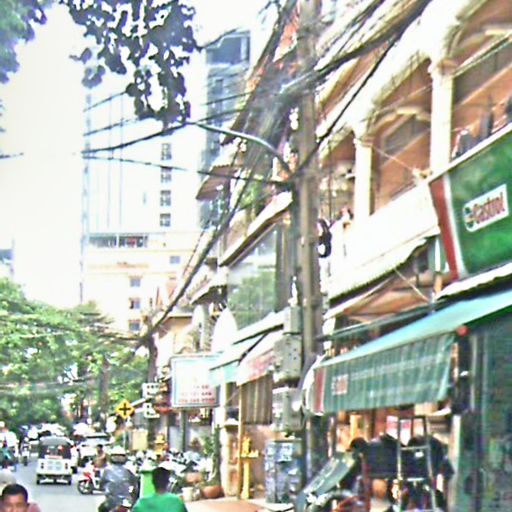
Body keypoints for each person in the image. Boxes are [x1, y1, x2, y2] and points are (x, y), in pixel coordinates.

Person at [98, 446, 138, 512]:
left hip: (112, 501)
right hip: (126, 501)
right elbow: (135, 485)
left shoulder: (107, 470)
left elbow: (101, 484)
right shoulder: (129, 469)